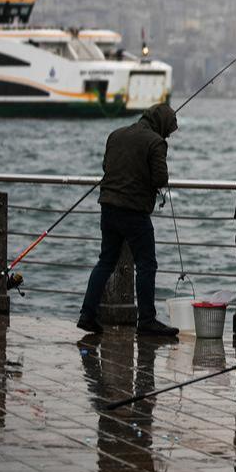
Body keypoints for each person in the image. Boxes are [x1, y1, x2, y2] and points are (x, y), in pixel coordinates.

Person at [78, 102, 180, 337]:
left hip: (108, 207)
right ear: (162, 124)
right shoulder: (156, 142)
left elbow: (106, 166)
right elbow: (160, 179)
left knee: (106, 261)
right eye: (169, 130)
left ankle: (87, 315)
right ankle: (146, 320)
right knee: (146, 264)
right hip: (134, 211)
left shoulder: (116, 134)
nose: (169, 136)